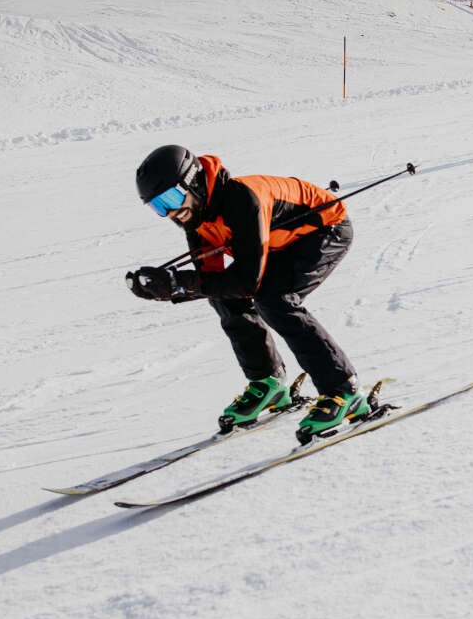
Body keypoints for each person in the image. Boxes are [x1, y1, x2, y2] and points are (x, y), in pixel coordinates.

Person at [127, 144, 371, 438]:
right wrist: (167, 289)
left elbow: (247, 281)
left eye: (171, 198)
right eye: (158, 207)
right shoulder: (197, 219)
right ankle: (268, 383)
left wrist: (180, 282)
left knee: (274, 300)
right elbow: (211, 281)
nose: (171, 213)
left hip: (325, 229)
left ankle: (343, 390)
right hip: (279, 244)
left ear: (192, 181)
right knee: (224, 297)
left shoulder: (241, 199)